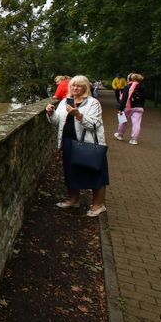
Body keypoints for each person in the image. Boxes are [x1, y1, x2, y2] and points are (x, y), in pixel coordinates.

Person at [46, 75, 109, 217]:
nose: (75, 88)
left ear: (85, 87)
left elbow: (94, 125)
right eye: (73, 85)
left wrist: (78, 115)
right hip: (68, 142)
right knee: (71, 172)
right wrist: (51, 113)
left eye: (79, 86)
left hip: (89, 144)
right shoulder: (64, 101)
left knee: (95, 173)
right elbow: (57, 122)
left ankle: (98, 205)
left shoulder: (93, 103)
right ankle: (73, 200)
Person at [114, 73, 145, 145]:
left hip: (128, 107)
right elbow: (143, 99)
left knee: (122, 121)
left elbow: (124, 99)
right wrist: (142, 107)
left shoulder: (127, 87)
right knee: (136, 124)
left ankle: (120, 135)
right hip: (139, 108)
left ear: (130, 79)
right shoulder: (142, 87)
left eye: (127, 78)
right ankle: (134, 140)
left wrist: (121, 109)